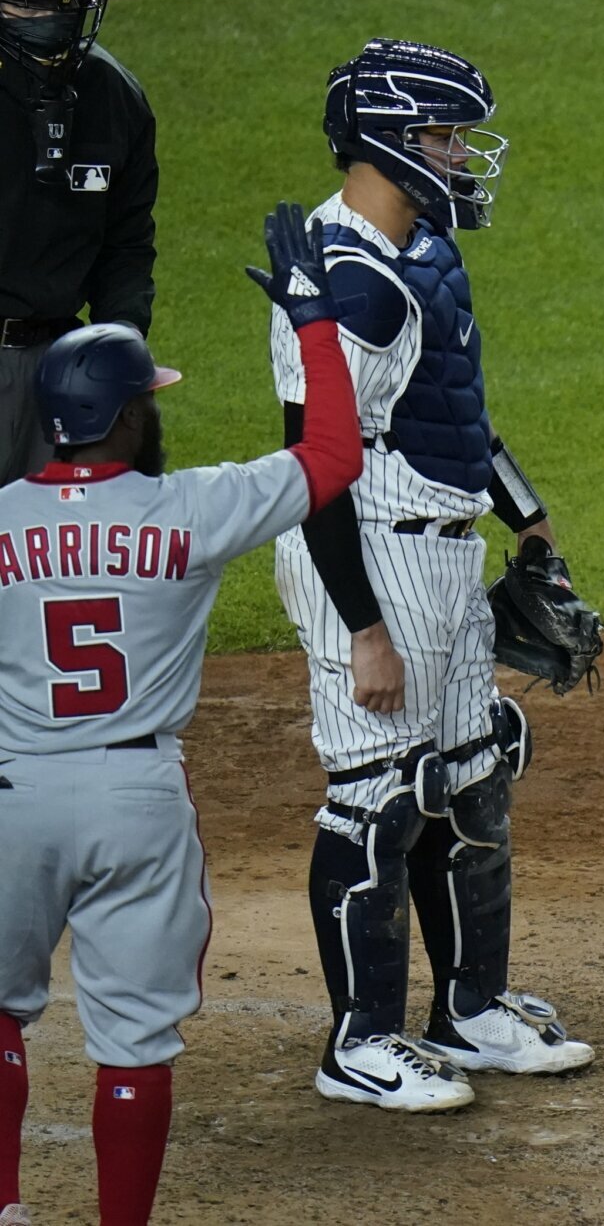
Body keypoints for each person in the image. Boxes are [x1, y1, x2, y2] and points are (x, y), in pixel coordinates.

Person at [0, 206, 361, 1226]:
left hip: (11, 793)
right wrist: (313, 319)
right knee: (134, 1042)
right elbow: (333, 456)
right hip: (135, 798)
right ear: (122, 418)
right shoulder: (189, 509)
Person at [268, 37, 592, 1114]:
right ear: (386, 145)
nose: (461, 160)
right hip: (368, 550)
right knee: (377, 799)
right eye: (445, 139)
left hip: (446, 546)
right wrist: (362, 626)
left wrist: (528, 518)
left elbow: (454, 409)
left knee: (471, 769)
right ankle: (358, 1042)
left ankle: (470, 1010)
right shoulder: (343, 286)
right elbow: (314, 471)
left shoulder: (422, 256)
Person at [0, 0, 158, 486]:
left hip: (60, 367)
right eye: (32, 6)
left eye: (66, 5)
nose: (53, 21)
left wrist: (122, 341)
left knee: (53, 556)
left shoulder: (114, 97)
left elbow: (127, 245)